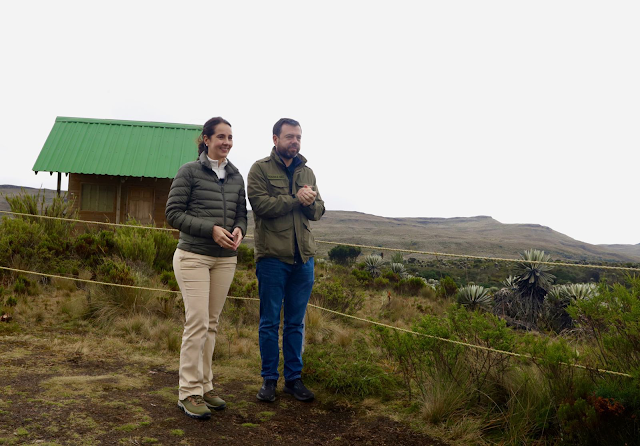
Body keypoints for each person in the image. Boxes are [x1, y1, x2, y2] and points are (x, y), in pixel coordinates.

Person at [166, 116, 247, 419]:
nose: (226, 142)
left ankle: (205, 385)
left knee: (211, 324)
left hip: (225, 260)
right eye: (220, 137)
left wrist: (239, 230)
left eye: (230, 137)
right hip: (193, 256)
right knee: (197, 323)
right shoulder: (189, 171)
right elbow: (173, 214)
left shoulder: (237, 176)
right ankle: (188, 392)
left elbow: (242, 215)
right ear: (206, 139)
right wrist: (210, 229)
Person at [247, 118, 325, 403]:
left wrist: (310, 201)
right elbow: (262, 205)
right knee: (269, 322)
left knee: (295, 323)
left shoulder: (308, 171)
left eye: (299, 137)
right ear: (275, 139)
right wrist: (296, 198)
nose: (295, 142)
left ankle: (293, 379)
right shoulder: (260, 169)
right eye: (290, 136)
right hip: (272, 259)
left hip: (303, 259)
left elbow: (318, 211)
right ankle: (269, 380)